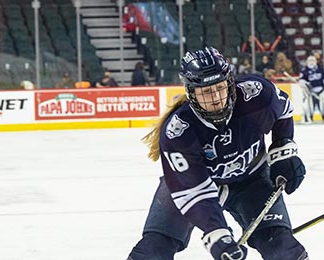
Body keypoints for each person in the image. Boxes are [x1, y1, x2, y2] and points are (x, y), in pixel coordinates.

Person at [127, 47, 309, 260]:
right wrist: (217, 235)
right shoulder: (178, 132)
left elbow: (284, 110)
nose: (216, 97)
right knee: (154, 249)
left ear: (229, 82)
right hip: (193, 186)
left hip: (252, 181)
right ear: (191, 92)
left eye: (220, 87)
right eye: (206, 92)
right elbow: (193, 192)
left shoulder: (256, 94)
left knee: (281, 246)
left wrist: (283, 148)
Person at [298, 55, 324, 124]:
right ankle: (308, 118)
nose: (311, 62)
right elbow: (301, 81)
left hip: (321, 91)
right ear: (307, 62)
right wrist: (306, 85)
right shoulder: (304, 70)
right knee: (309, 106)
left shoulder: (320, 69)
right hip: (310, 93)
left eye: (313, 61)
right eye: (310, 61)